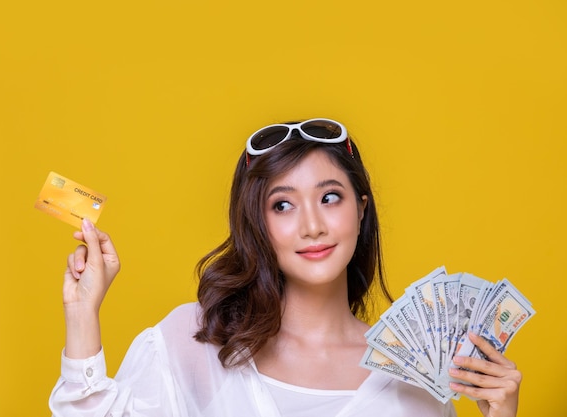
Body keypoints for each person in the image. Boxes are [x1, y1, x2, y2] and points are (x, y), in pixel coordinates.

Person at [49, 119, 522, 417]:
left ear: (360, 208)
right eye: (282, 205)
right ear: (257, 221)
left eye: (329, 197)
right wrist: (81, 313)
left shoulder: (417, 374)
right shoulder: (194, 343)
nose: (312, 225)